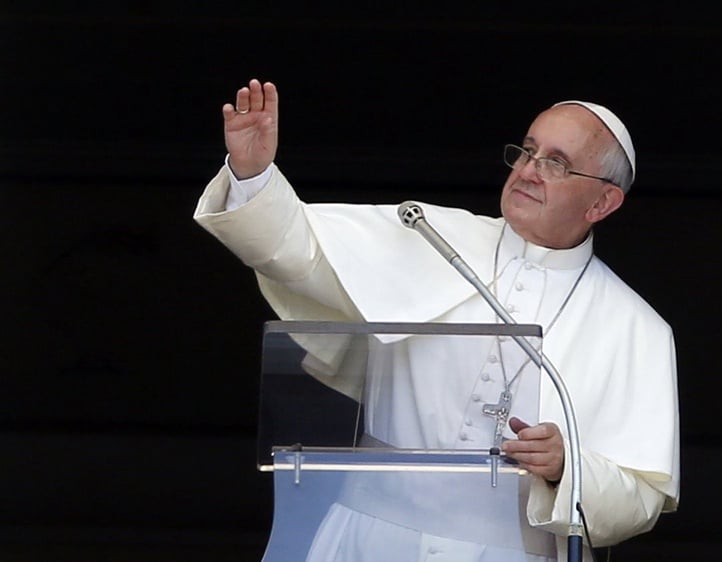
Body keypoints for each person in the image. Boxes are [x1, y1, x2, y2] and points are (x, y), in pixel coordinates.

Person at [194, 79, 680, 562]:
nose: (530, 171)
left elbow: (640, 497)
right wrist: (252, 172)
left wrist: (567, 468)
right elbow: (298, 250)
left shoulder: (636, 329)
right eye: (527, 152)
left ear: (602, 203)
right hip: (368, 540)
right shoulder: (428, 235)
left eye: (557, 162)